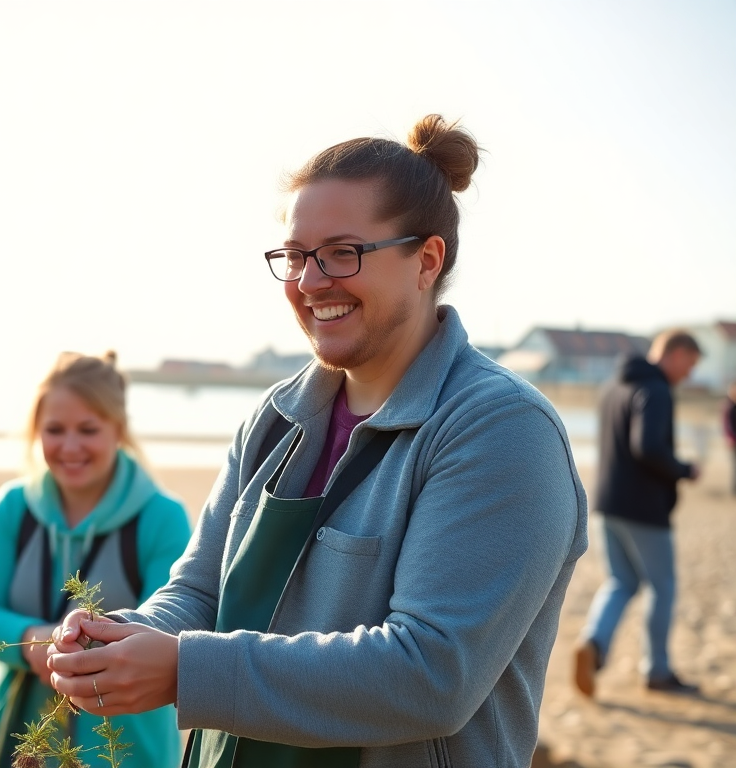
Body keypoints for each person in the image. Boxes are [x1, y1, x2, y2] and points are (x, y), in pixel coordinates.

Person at [45, 115, 589, 767]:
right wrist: (122, 638)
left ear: (427, 259)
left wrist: (185, 671)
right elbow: (199, 594)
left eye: (342, 252)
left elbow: (430, 675)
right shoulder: (275, 419)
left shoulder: (499, 430)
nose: (308, 282)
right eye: (296, 256)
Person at [0, 350, 193, 768]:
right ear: (35, 432)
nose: (69, 446)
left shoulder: (162, 517)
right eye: (54, 430)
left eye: (87, 429)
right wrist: (34, 643)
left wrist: (80, 651)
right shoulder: (12, 507)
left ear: (118, 429)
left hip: (128, 754)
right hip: (15, 749)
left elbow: (176, 626)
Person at [573, 329, 703, 698]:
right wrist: (683, 470)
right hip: (643, 509)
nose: (689, 374)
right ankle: (657, 671)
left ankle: (593, 644)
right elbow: (646, 446)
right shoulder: (656, 389)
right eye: (690, 364)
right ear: (675, 354)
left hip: (606, 503)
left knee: (622, 581)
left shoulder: (613, 386)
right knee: (663, 587)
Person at [724, 382, 736, 496]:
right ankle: (734, 490)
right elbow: (726, 425)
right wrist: (730, 438)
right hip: (733, 441)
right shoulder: (728, 406)